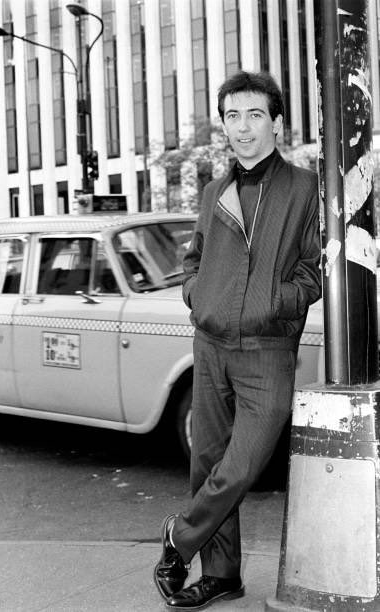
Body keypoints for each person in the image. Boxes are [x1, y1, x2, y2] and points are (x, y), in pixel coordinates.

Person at [154, 70, 321, 610]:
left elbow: (315, 270)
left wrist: (277, 303)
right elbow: (193, 259)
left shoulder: (305, 188)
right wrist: (196, 295)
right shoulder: (213, 191)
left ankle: (180, 536)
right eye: (232, 116)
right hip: (209, 346)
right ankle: (221, 574)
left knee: (243, 463)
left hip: (268, 350)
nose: (243, 127)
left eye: (254, 115)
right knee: (207, 462)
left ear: (276, 122)